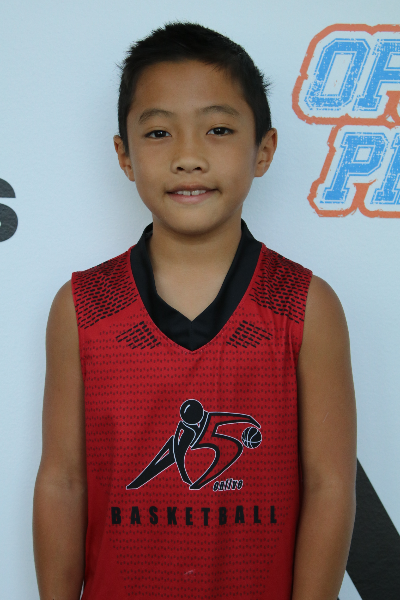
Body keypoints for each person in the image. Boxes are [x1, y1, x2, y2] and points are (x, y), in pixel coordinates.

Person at [33, 22, 357, 600]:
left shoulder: (304, 305)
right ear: (124, 155)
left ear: (263, 150)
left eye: (218, 129)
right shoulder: (83, 307)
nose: (188, 156)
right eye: (159, 132)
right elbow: (62, 481)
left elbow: (329, 486)